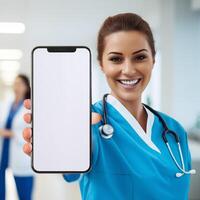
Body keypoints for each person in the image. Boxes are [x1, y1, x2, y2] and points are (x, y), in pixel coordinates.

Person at [22, 13, 193, 199]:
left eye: (140, 57)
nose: (128, 70)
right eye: (116, 59)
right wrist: (58, 141)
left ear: (153, 60)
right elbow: (70, 170)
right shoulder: (89, 122)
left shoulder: (174, 130)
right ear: (101, 65)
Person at [0, 74, 34, 200]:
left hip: (21, 154)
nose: (16, 86)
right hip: (4, 152)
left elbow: (33, 132)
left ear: (26, 87)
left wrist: (11, 133)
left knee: (24, 195)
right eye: (15, 83)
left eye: (20, 84)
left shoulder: (30, 107)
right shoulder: (6, 105)